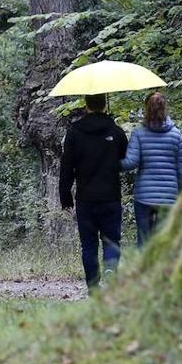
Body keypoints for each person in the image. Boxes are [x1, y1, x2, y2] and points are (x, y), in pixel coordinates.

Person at [58, 92, 127, 289]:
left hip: (85, 198)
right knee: (112, 241)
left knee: (88, 246)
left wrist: (66, 198)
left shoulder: (74, 132)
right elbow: (125, 159)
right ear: (105, 103)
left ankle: (93, 288)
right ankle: (110, 272)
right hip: (111, 196)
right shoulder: (116, 131)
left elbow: (67, 166)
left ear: (86, 104)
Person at [121, 91, 182, 247]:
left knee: (143, 242)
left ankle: (142, 271)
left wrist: (112, 162)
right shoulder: (176, 135)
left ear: (146, 109)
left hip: (144, 196)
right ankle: (162, 271)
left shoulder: (139, 133)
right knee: (164, 242)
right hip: (169, 197)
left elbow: (131, 162)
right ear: (165, 108)